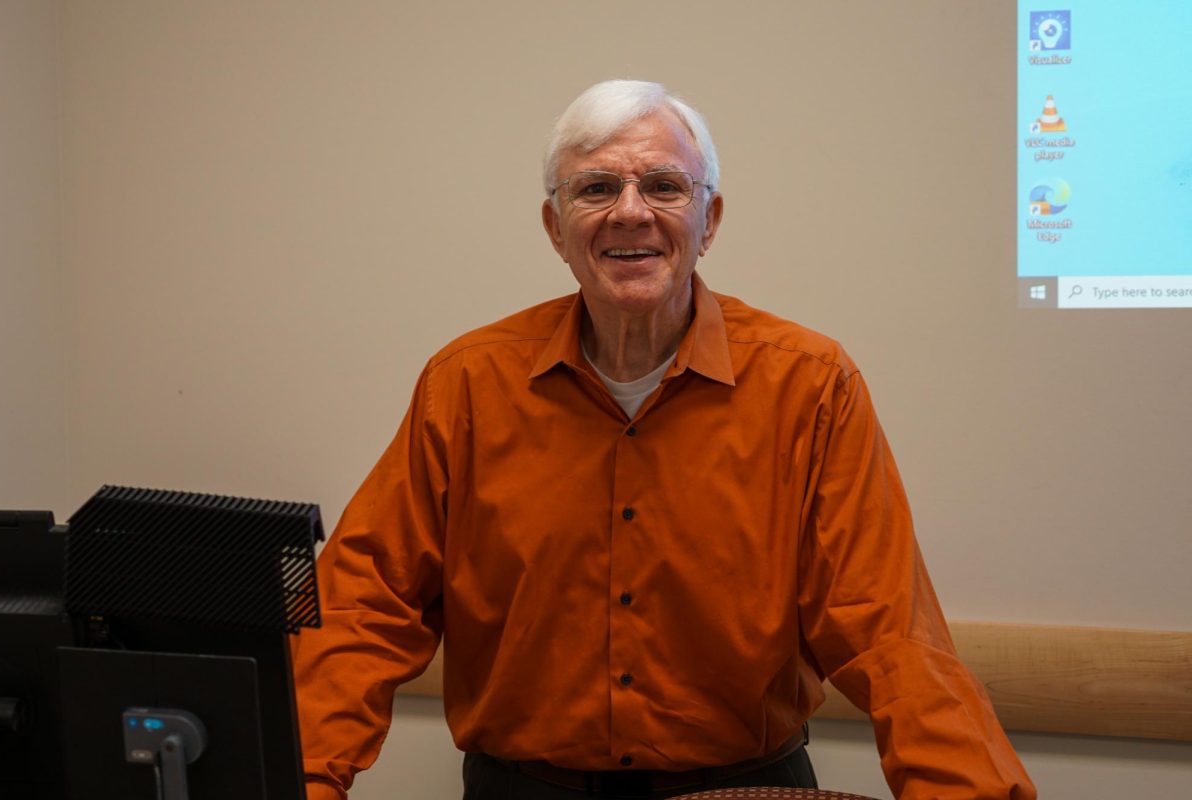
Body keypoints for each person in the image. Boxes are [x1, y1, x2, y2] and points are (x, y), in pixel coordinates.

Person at [292, 79, 1036, 800]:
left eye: (664, 186)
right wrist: (302, 780)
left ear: (708, 221)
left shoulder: (809, 386)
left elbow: (889, 632)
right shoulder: (467, 384)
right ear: (556, 229)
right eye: (594, 189)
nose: (630, 213)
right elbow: (363, 607)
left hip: (747, 791)